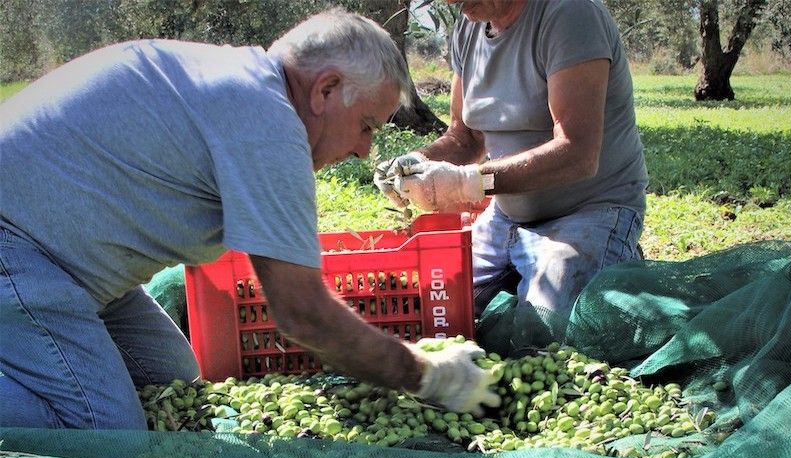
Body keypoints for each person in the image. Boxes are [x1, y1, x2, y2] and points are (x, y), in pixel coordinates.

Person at [0, 8, 498, 430]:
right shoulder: (265, 119)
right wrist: (428, 377)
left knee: (170, 378)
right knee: (107, 432)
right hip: (20, 251)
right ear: (325, 89)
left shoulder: (246, 88)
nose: (364, 151)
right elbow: (302, 314)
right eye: (366, 126)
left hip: (77, 261)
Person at [375, 0, 647, 323]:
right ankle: (528, 266)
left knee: (542, 327)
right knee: (430, 308)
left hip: (588, 212)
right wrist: (417, 163)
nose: (451, 3)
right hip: (505, 218)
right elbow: (465, 137)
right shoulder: (468, 28)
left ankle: (611, 253)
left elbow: (578, 153)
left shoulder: (570, 15)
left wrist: (467, 183)